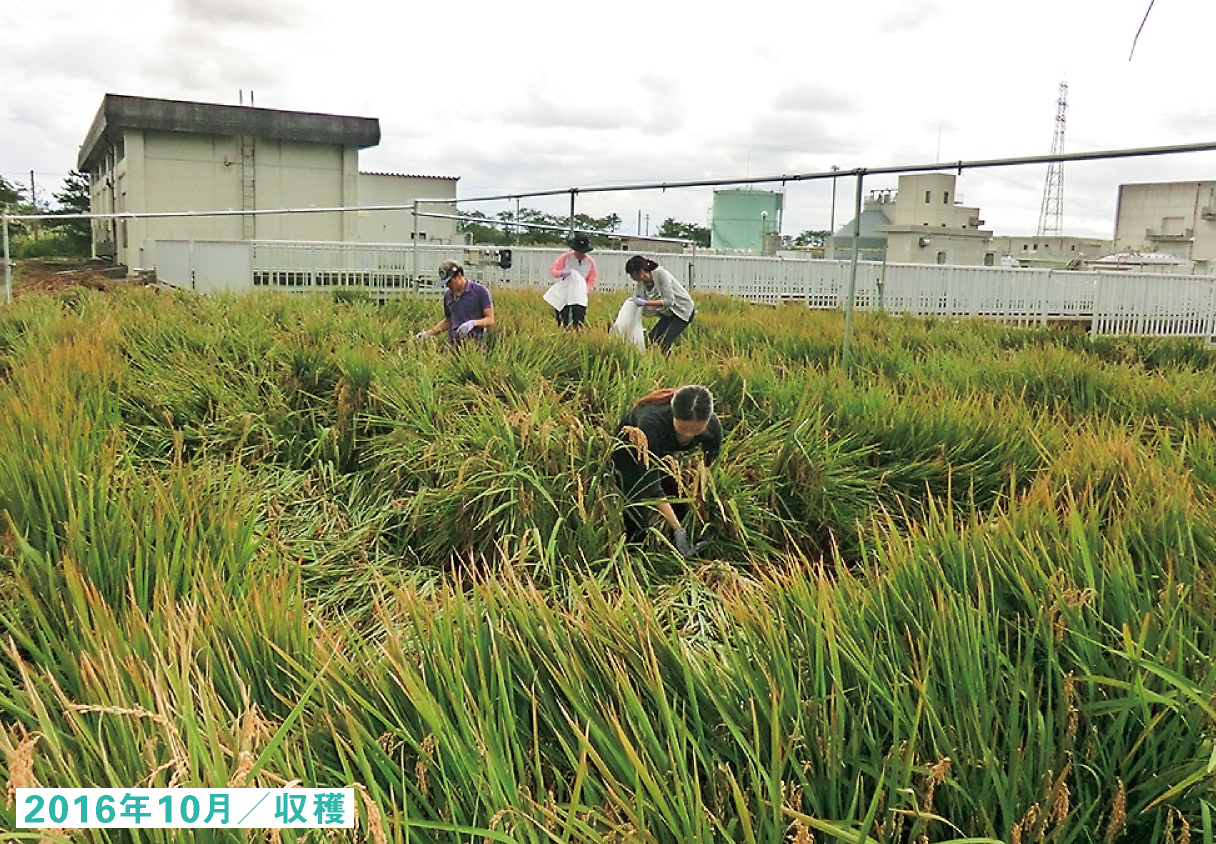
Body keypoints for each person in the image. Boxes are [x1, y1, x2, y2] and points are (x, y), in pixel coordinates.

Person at [612, 385, 721, 556]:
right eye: (683, 429)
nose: (688, 436)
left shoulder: (711, 426)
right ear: (673, 415)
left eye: (696, 430)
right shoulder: (651, 422)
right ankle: (634, 556)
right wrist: (677, 529)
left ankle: (683, 551)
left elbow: (709, 462)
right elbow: (652, 486)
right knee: (638, 509)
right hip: (631, 450)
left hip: (662, 451)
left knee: (679, 498)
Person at [624, 255, 696, 352]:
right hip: (669, 313)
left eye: (632, 274)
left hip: (684, 311)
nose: (631, 277)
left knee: (665, 342)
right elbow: (637, 301)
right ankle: (649, 362)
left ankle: (669, 365)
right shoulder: (641, 283)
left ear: (641, 272)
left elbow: (669, 301)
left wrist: (646, 303)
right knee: (651, 340)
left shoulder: (661, 274)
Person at [415, 260, 494, 347]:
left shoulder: (480, 291)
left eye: (449, 282)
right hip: (453, 346)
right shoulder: (448, 296)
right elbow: (448, 320)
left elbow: (490, 319)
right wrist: (428, 333)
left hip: (475, 346)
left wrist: (472, 323)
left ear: (459, 276)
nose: (448, 286)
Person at [545, 232, 597, 329]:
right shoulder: (566, 258)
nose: (580, 254)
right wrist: (562, 273)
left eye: (583, 252)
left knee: (578, 320)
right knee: (563, 319)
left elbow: (592, 278)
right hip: (565, 292)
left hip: (579, 294)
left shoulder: (590, 262)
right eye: (578, 251)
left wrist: (585, 290)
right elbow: (553, 270)